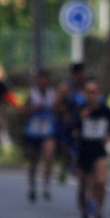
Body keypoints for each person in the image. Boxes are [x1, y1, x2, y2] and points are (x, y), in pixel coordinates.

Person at [74, 79, 110, 218]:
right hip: (83, 151)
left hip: (99, 150)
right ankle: (84, 214)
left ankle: (99, 212)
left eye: (94, 92)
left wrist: (108, 136)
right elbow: (72, 128)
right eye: (88, 92)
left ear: (98, 93)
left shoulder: (105, 110)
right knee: (83, 185)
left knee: (100, 181)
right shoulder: (80, 110)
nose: (91, 95)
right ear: (84, 94)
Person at [22, 69, 58, 202]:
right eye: (41, 79)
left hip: (48, 130)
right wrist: (34, 108)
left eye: (45, 79)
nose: (43, 82)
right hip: (34, 131)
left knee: (48, 157)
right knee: (34, 159)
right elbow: (23, 109)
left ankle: (46, 187)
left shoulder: (52, 94)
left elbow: (57, 108)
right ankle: (32, 186)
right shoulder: (32, 94)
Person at [54, 62, 86, 182]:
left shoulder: (85, 87)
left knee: (80, 146)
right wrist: (66, 112)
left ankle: (77, 167)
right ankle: (65, 166)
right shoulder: (65, 88)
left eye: (82, 74)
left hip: (80, 122)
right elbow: (55, 105)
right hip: (66, 123)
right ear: (73, 75)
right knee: (67, 147)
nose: (80, 77)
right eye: (78, 74)